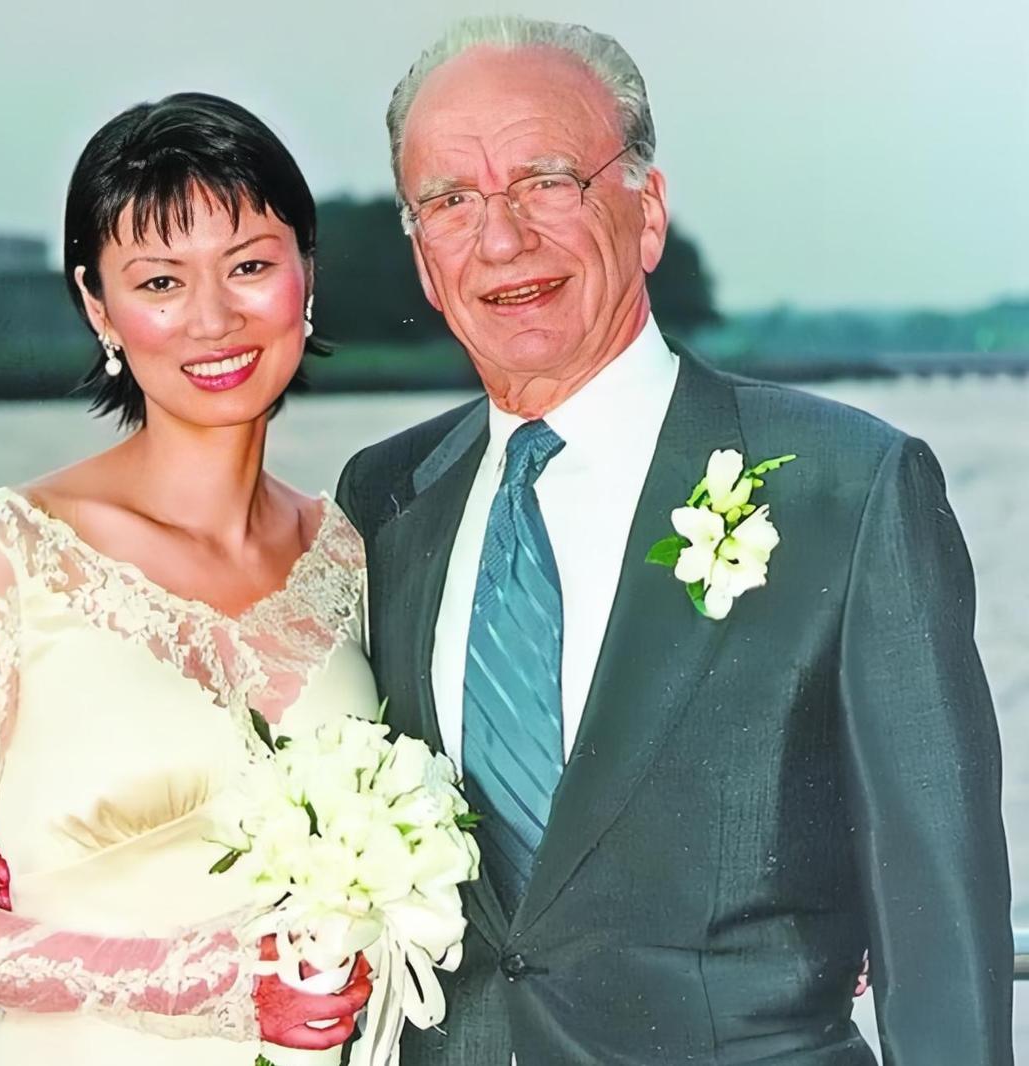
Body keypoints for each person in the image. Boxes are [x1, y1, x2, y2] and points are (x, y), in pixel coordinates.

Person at [336, 16, 1013, 1065]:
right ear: (424, 260)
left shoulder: (848, 487)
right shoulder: (383, 498)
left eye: (547, 182)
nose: (501, 240)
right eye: (452, 202)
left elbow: (940, 928)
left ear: (646, 212)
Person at [0, 92, 373, 1065]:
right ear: (99, 305)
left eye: (250, 266)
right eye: (161, 281)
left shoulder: (352, 551)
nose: (212, 319)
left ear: (307, 273)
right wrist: (206, 984)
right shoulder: (3, 553)